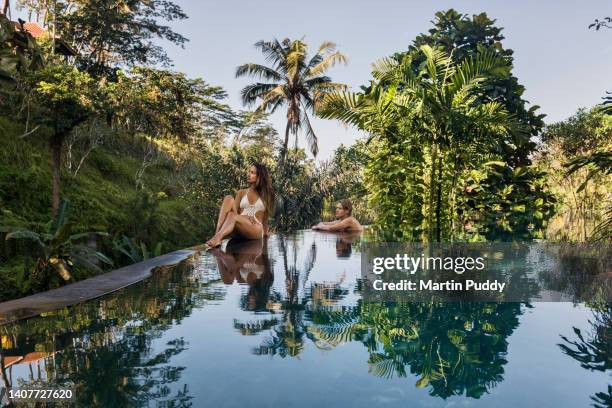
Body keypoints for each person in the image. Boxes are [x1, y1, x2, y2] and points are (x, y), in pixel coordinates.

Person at [206, 163, 274, 248]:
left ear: (260, 176)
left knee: (232, 216)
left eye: (252, 173)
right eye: (249, 172)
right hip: (239, 225)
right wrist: (244, 217)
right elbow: (234, 212)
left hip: (255, 227)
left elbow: (265, 218)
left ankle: (217, 237)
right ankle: (217, 236)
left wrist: (266, 233)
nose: (248, 174)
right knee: (228, 198)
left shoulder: (267, 194)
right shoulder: (241, 192)